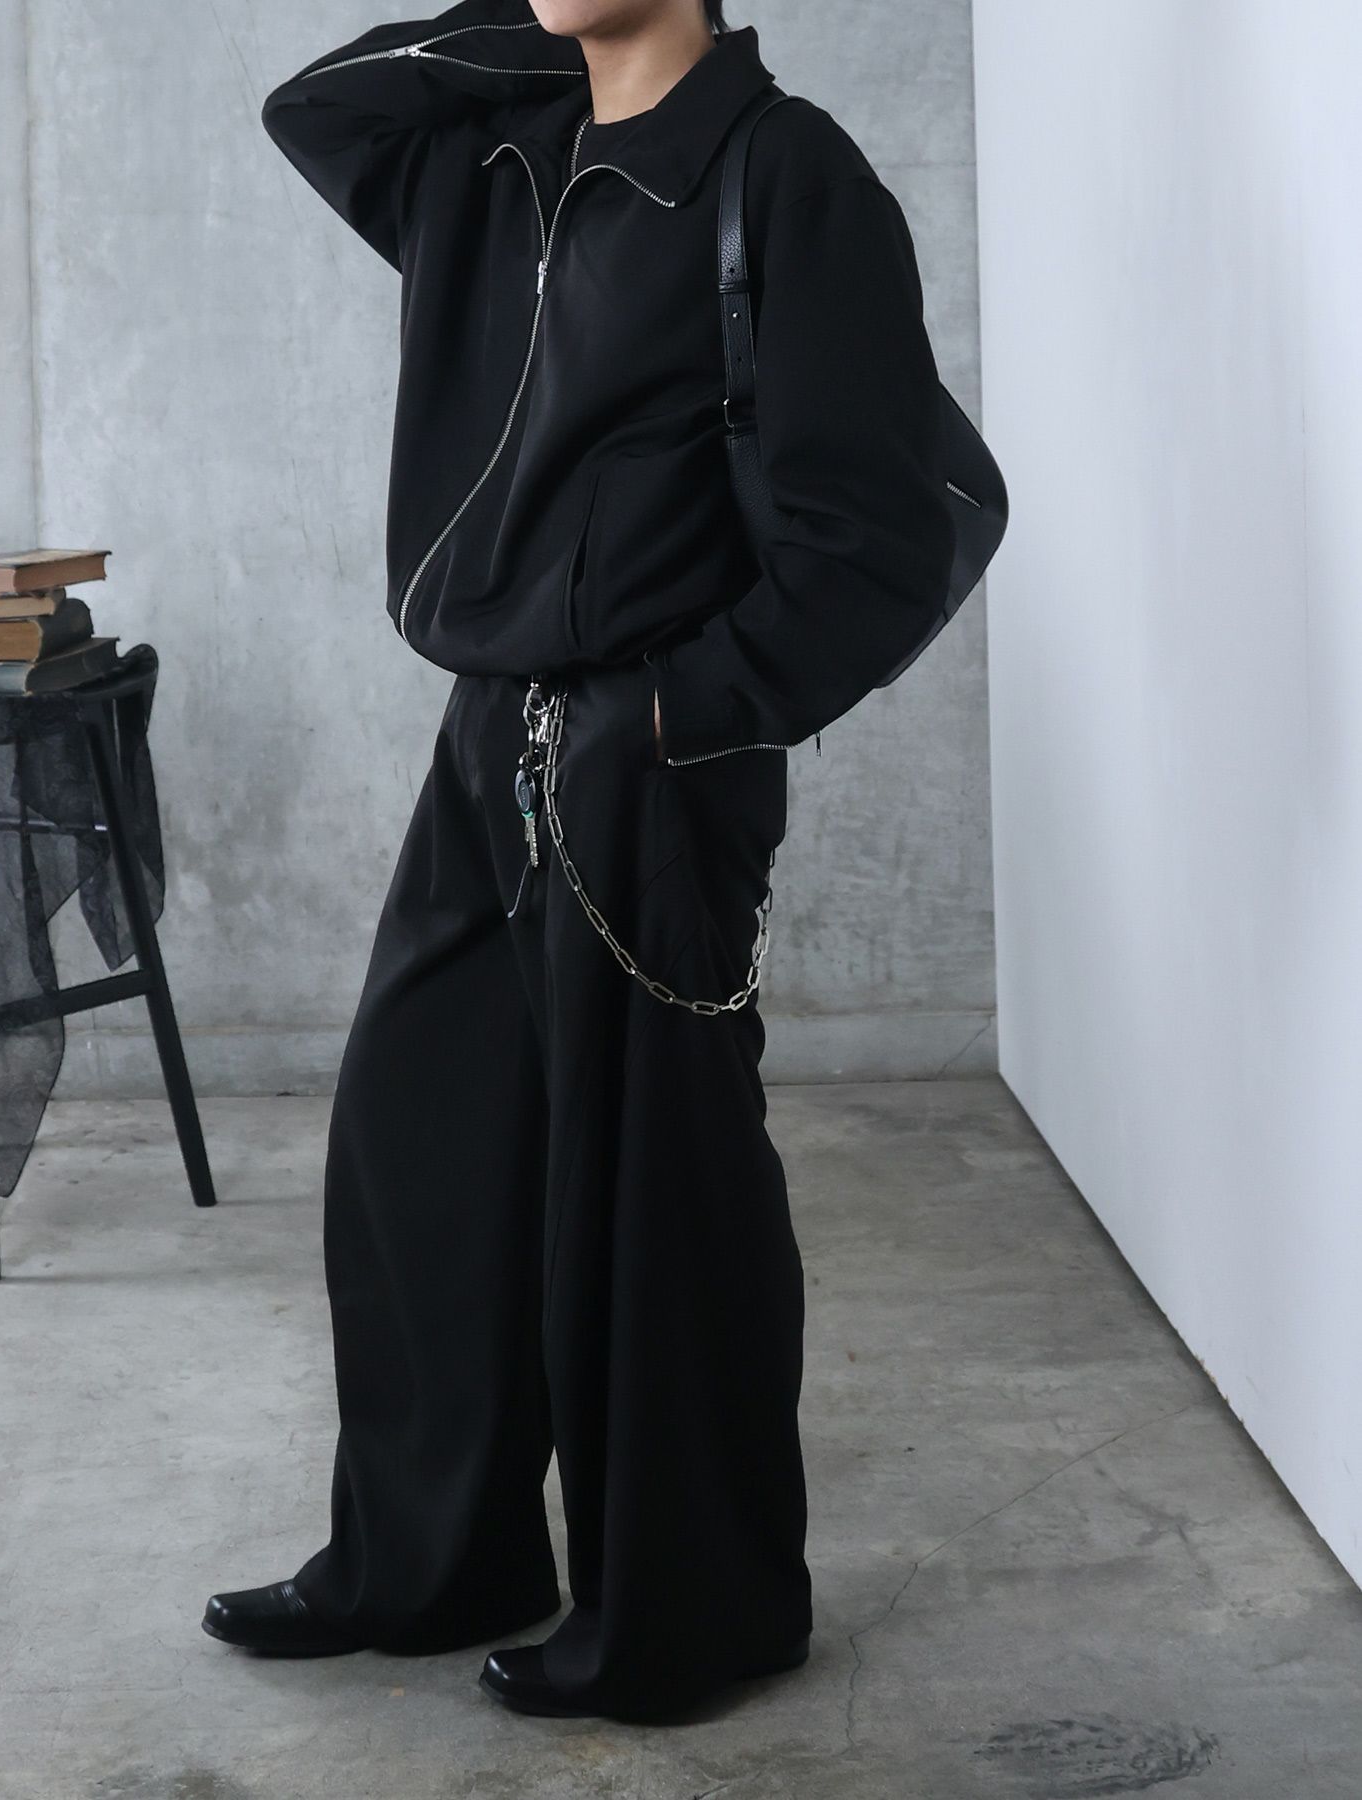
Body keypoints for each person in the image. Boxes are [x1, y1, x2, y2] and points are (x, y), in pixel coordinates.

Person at [201, 0, 955, 1723]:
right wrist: (549, 47)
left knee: (653, 1194)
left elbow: (879, 541)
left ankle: (696, 1614)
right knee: (421, 1149)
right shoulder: (497, 153)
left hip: (654, 755)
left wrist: (675, 714)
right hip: (489, 728)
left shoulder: (786, 175)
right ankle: (433, 1558)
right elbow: (318, 107)